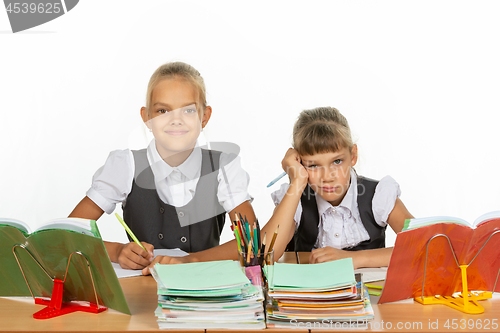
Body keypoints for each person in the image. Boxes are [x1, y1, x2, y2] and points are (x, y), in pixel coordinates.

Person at [69, 62, 256, 271]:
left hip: (204, 293)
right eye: (163, 110)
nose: (175, 120)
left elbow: (252, 243)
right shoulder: (126, 165)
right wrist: (116, 251)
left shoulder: (223, 167)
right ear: (147, 118)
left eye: (188, 110)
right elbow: (67, 234)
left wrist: (190, 260)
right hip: (141, 292)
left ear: (204, 117)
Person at [264, 106, 413, 268]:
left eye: (337, 161)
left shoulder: (377, 196)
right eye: (313, 165)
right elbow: (265, 255)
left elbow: (426, 246)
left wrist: (353, 259)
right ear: (299, 164)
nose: (327, 177)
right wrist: (297, 181)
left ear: (353, 156)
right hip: (311, 292)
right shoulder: (296, 200)